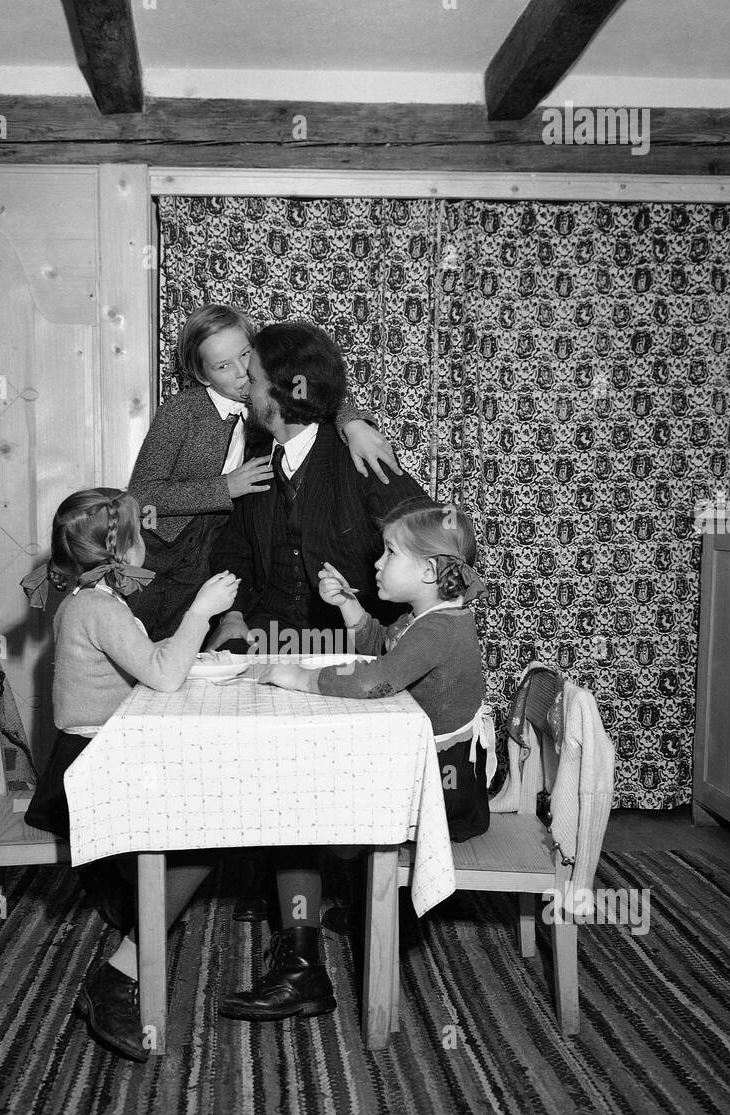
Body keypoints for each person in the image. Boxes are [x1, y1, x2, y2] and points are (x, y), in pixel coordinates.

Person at [206, 321, 432, 1022]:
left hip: (355, 653)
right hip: (275, 646)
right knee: (263, 775)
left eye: (255, 377)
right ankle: (296, 916)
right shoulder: (258, 461)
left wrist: (376, 615)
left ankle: (302, 954)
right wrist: (237, 616)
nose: (243, 386)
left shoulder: (356, 456)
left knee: (293, 786)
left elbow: (438, 549)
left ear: (285, 395)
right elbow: (238, 555)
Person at [22, 487, 238, 1062]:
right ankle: (116, 974)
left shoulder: (93, 599)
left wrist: (196, 649)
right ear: (124, 549)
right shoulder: (98, 606)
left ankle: (140, 910)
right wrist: (200, 612)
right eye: (143, 532)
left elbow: (141, 660)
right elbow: (162, 679)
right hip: (89, 774)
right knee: (205, 832)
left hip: (96, 758)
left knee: (200, 816)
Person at [126, 304, 401, 640]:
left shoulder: (270, 396)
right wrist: (224, 487)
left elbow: (315, 396)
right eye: (223, 365)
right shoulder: (181, 412)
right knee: (163, 641)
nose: (242, 372)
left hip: (235, 551)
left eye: (246, 355)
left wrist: (354, 423)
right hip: (172, 554)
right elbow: (141, 495)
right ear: (202, 375)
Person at [257, 497, 494, 841]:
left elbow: (374, 683)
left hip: (444, 788)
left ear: (429, 571)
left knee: (325, 790)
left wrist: (300, 678)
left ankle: (344, 866)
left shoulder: (439, 629)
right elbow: (382, 648)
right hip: (432, 769)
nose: (378, 563)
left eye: (391, 553)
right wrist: (347, 604)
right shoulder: (427, 617)